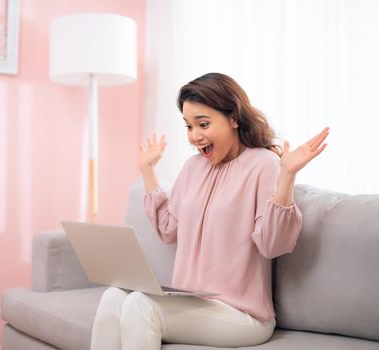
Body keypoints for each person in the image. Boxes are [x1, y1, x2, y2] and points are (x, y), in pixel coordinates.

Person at [90, 72, 329, 350]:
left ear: (234, 118)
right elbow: (169, 229)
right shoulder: (192, 168)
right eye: (189, 126)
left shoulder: (263, 164)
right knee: (112, 297)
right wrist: (147, 171)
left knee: (141, 307)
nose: (195, 136)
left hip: (241, 314)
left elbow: (272, 243)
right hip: (190, 304)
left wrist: (287, 175)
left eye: (203, 124)